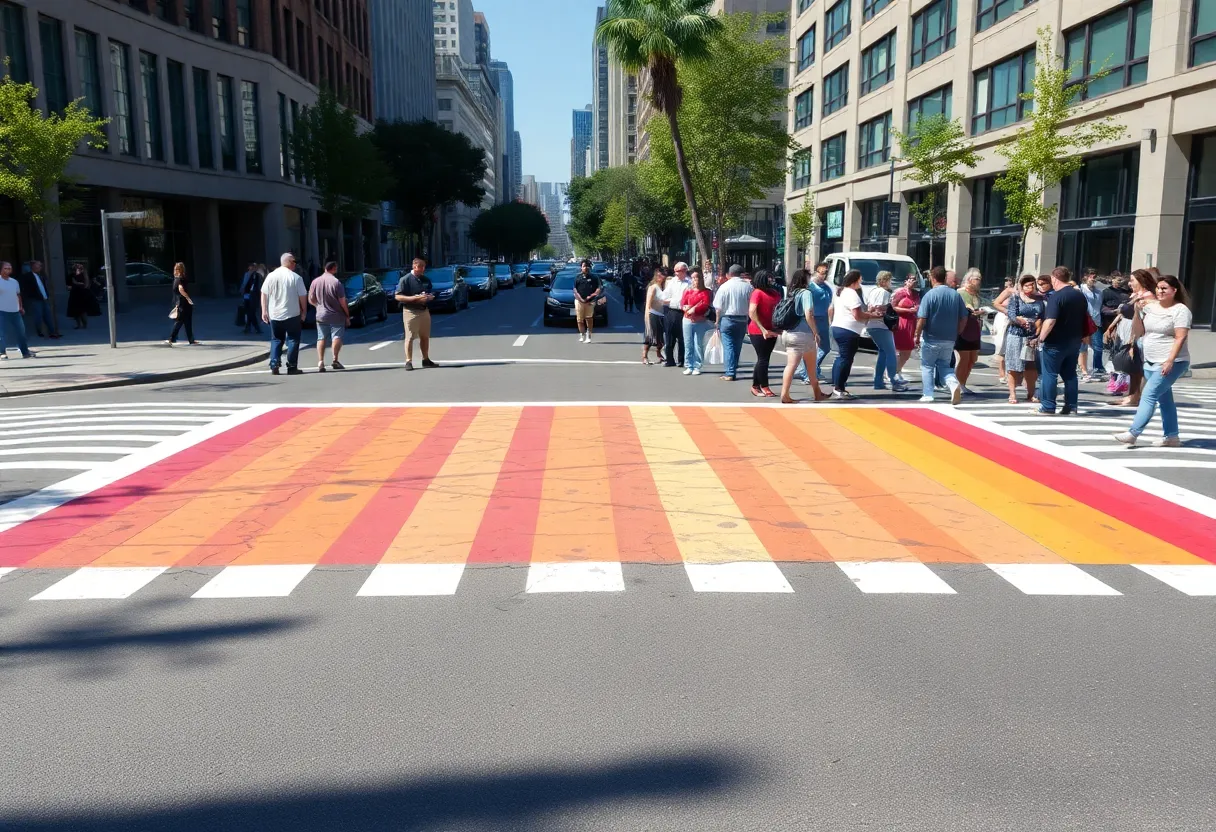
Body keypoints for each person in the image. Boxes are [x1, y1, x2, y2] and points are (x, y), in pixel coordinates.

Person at [1113, 275, 1192, 448]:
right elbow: (1139, 331)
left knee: (1148, 395)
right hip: (1149, 360)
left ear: (1174, 291)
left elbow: (1180, 337)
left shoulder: (1181, 310)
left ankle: (1133, 433)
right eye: (1158, 288)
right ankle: (1172, 437)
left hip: (1171, 361)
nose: (1160, 291)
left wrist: (1170, 361)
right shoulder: (1150, 307)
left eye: (1164, 288)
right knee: (1165, 400)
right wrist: (1137, 312)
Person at [1033, 266, 1088, 415]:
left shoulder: (1056, 297)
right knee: (1070, 374)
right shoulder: (1079, 295)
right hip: (1074, 340)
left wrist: (1041, 338)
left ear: (1054, 278)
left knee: (1049, 374)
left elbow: (1050, 320)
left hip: (1055, 341)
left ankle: (1048, 406)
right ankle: (1071, 406)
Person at [914, 266, 968, 404]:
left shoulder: (929, 295)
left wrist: (916, 335)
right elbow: (964, 317)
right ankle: (953, 384)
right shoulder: (955, 295)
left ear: (932, 278)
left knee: (927, 366)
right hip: (949, 338)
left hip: (931, 337)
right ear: (944, 278)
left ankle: (928, 394)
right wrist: (958, 332)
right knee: (945, 366)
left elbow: (922, 318)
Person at [829, 270, 883, 400]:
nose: (861, 281)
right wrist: (873, 315)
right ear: (855, 280)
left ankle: (837, 385)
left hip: (839, 327)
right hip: (848, 330)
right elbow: (857, 315)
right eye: (860, 279)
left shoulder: (841, 291)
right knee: (846, 359)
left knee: (842, 357)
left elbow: (833, 309)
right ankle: (839, 388)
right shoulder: (851, 293)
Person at [1107, 269, 1156, 407]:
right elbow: (1124, 313)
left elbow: (1143, 319)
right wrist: (1112, 326)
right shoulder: (1136, 296)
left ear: (1141, 281)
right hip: (1128, 333)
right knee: (1132, 367)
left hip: (1139, 335)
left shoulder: (1148, 298)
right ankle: (1132, 395)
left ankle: (1137, 397)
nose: (1129, 283)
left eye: (1132, 280)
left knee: (1137, 368)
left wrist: (1134, 340)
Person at [778, 269, 828, 403]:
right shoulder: (806, 293)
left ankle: (817, 392)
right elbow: (808, 314)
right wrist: (815, 332)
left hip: (789, 333)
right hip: (803, 334)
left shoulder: (791, 293)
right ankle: (786, 395)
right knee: (805, 366)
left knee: (800, 365)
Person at [262, 252, 308, 375]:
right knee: (293, 339)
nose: (295, 264)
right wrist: (304, 311)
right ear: (288, 262)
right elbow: (303, 296)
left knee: (276, 339)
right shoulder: (296, 277)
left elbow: (264, 293)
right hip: (292, 314)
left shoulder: (271, 276)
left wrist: (264, 310)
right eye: (294, 262)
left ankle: (274, 363)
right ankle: (292, 366)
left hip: (275, 314)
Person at [1002, 276, 1044, 404]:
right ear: (1021, 286)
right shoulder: (1016, 297)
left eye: (1032, 285)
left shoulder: (1040, 299)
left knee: (1031, 366)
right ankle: (1012, 393)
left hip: (1032, 335)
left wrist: (1038, 325)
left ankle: (1031, 393)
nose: (1030, 288)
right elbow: (1011, 314)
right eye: (1026, 285)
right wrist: (1020, 320)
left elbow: (1042, 315)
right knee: (1014, 365)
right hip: (1016, 334)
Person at [395, 257, 438, 371]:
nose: (423, 269)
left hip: (424, 310)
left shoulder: (425, 279)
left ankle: (426, 359)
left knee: (425, 337)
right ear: (414, 266)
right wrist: (414, 298)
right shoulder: (405, 279)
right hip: (410, 311)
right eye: (420, 266)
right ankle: (408, 361)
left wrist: (429, 297)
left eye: (424, 267)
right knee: (409, 337)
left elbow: (429, 292)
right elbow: (398, 296)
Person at [712, 264, 752, 381]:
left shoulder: (724, 287)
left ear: (729, 274)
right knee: (737, 345)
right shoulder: (748, 287)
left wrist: (717, 321)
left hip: (727, 318)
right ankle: (733, 366)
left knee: (728, 346)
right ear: (741, 274)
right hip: (742, 319)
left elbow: (718, 307)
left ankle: (730, 372)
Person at [865, 271, 903, 392]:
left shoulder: (873, 291)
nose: (891, 282)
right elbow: (878, 308)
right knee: (891, 353)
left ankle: (878, 381)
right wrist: (889, 307)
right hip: (881, 325)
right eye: (889, 280)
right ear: (884, 281)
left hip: (872, 325)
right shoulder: (883, 292)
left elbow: (871, 307)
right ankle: (894, 381)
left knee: (883, 352)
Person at [308, 261, 349, 371]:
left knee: (321, 337)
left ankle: (320, 361)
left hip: (321, 315)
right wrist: (347, 314)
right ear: (334, 268)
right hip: (336, 314)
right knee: (336, 336)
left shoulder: (315, 281)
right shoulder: (336, 282)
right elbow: (342, 301)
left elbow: (311, 299)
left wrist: (318, 306)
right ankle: (335, 360)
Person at [748, 269, 782, 397]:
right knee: (763, 359)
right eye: (768, 278)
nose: (771, 280)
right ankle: (764, 386)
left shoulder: (775, 292)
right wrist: (763, 329)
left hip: (772, 329)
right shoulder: (757, 293)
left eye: (771, 277)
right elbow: (752, 312)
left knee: (764, 358)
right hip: (758, 330)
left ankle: (755, 386)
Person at [955, 268, 984, 394]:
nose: (979, 281)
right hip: (964, 327)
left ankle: (963, 383)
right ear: (969, 280)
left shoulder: (976, 294)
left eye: (980, 279)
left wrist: (981, 312)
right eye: (977, 279)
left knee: (973, 359)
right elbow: (966, 309)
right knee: (964, 358)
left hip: (975, 327)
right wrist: (974, 312)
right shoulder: (961, 292)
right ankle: (958, 384)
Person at [806, 262, 835, 381]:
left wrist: (830, 320)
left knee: (825, 347)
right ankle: (808, 374)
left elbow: (830, 304)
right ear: (816, 272)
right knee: (810, 348)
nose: (824, 275)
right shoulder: (811, 286)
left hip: (823, 319)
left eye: (826, 272)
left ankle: (813, 369)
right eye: (822, 272)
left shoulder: (827, 286)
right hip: (813, 318)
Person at [680, 269, 712, 375]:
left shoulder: (706, 292)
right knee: (688, 343)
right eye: (692, 278)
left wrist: (695, 309)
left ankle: (697, 365)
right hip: (687, 319)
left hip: (700, 320)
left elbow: (705, 304)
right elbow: (682, 303)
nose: (694, 280)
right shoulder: (688, 290)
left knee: (698, 344)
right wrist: (685, 308)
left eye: (696, 277)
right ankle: (689, 365)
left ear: (701, 278)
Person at [0, 261, 34, 359]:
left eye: (10, 268)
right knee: (1, 334)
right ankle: (2, 352)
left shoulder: (14, 282)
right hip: (1, 311)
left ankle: (25, 352)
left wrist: (20, 307)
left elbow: (18, 295)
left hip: (15, 311)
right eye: (6, 268)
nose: (8, 270)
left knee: (21, 332)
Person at [891, 274, 920, 383]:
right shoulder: (900, 292)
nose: (914, 282)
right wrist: (908, 310)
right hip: (901, 322)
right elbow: (893, 306)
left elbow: (918, 305)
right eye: (911, 280)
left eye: (915, 280)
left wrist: (916, 309)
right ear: (906, 281)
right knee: (898, 349)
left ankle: (897, 370)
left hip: (911, 322)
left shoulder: (916, 294)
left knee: (907, 350)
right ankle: (892, 372)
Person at [19, 261, 59, 339]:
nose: (40, 267)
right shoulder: (27, 276)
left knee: (48, 315)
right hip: (35, 299)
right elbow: (24, 287)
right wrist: (29, 296)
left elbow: (44, 286)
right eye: (38, 266)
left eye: (40, 266)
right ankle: (39, 332)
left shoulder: (41, 276)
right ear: (33, 267)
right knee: (38, 316)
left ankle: (52, 332)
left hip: (44, 298)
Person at [1078, 269, 1106, 382]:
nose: (1093, 279)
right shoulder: (1080, 289)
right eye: (1091, 277)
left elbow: (1100, 306)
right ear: (1085, 277)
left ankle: (1097, 368)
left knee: (1098, 346)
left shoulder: (1099, 292)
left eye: (1095, 277)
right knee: (1082, 347)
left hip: (1096, 321)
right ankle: (1081, 369)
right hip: (1084, 321)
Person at [662, 262, 691, 367]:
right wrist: (675, 301)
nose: (676, 273)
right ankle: (669, 360)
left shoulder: (689, 283)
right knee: (669, 336)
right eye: (675, 271)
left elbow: (687, 300)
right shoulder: (672, 282)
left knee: (683, 338)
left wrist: (675, 300)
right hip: (671, 311)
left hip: (683, 312)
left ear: (684, 271)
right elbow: (664, 297)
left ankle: (682, 360)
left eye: (678, 271)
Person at [164, 262, 199, 346]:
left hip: (178, 303)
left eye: (177, 269)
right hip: (183, 303)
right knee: (181, 321)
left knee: (185, 322)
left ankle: (190, 339)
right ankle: (172, 338)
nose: (177, 271)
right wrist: (188, 298)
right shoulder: (181, 279)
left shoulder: (176, 279)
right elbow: (181, 289)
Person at [990, 277, 1016, 383]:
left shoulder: (1016, 293)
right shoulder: (1005, 294)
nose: (1008, 287)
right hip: (1003, 319)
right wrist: (1007, 309)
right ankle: (1002, 374)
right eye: (1006, 286)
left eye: (1010, 285)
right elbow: (996, 304)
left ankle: (1010, 374)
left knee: (1010, 348)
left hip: (1012, 319)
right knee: (1001, 347)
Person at [574, 259, 603, 343]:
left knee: (589, 318)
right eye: (584, 266)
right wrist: (580, 299)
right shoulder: (577, 277)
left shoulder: (594, 277)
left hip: (590, 301)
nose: (585, 268)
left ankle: (588, 336)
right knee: (579, 320)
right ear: (581, 267)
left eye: (587, 266)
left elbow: (598, 289)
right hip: (579, 301)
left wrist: (591, 296)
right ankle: (582, 334)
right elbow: (574, 289)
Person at [642, 269, 667, 365]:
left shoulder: (663, 287)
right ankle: (644, 356)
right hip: (653, 314)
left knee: (660, 337)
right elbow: (648, 304)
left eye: (663, 275)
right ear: (656, 276)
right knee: (650, 336)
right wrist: (647, 317)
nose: (661, 277)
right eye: (659, 275)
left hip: (662, 315)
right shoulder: (653, 287)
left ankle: (659, 354)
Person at [66, 263, 99, 329]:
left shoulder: (81, 276)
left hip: (79, 294)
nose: (76, 271)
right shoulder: (78, 276)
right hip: (78, 294)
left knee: (80, 311)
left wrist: (76, 283)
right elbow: (85, 285)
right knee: (79, 311)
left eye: (77, 269)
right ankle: (82, 325)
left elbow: (84, 284)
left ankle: (82, 325)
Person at [240, 263, 263, 334]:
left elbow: (257, 286)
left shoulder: (256, 275)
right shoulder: (246, 274)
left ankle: (254, 328)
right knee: (249, 312)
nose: (252, 268)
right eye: (251, 266)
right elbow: (243, 284)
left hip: (253, 296)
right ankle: (250, 328)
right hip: (246, 295)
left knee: (251, 312)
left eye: (254, 267)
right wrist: (242, 291)